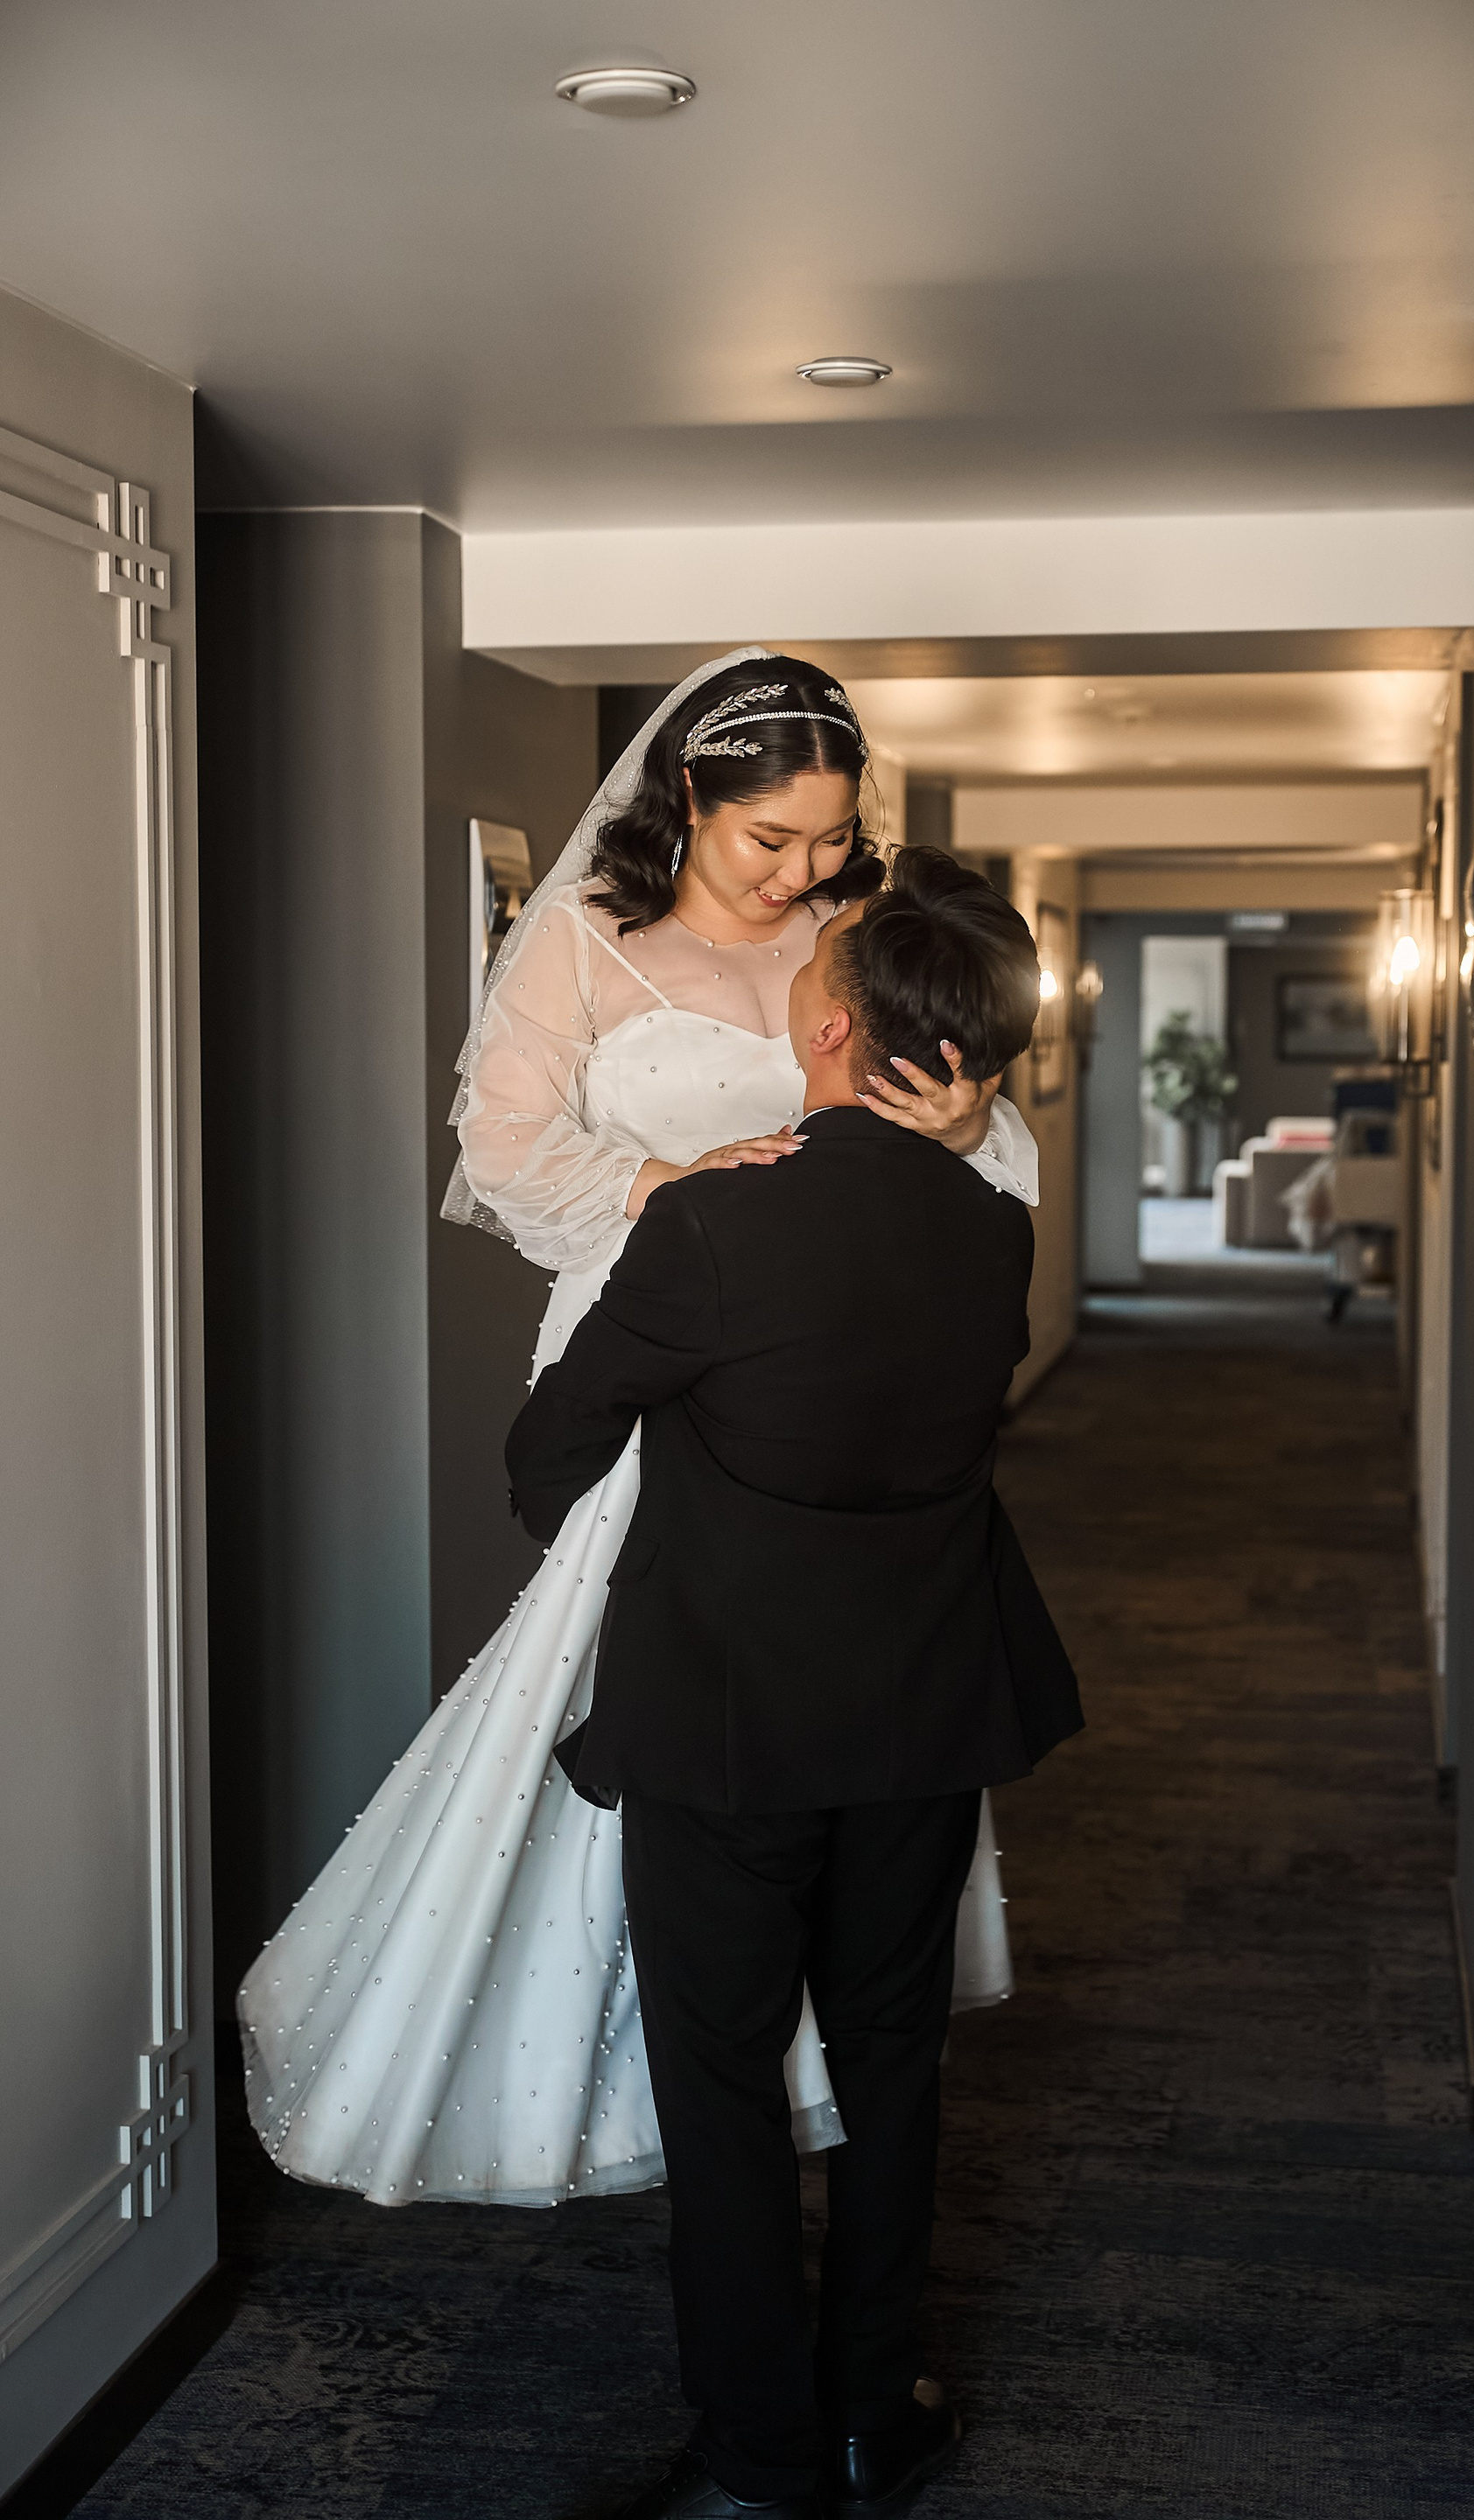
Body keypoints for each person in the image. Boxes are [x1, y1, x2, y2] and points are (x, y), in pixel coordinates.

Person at [237, 654, 1034, 2208]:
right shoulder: (584, 938)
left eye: (830, 838)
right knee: (647, 1692)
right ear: (691, 797)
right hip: (648, 1335)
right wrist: (676, 1191)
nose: (805, 871)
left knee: (821, 1701)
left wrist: (962, 1125)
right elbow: (503, 1150)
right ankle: (599, 2069)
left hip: (834, 1382)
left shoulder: (856, 934)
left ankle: (793, 2054)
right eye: (771, 840)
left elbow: (957, 1162)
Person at [508, 850, 1083, 2520]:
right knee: (896, 2059)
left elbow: (547, 1457)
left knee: (724, 2083)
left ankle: (761, 2452)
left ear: (829, 1032)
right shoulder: (994, 1233)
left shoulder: (710, 1222)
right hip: (925, 1709)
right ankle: (870, 2416)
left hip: (727, 1716)